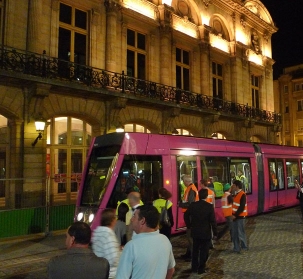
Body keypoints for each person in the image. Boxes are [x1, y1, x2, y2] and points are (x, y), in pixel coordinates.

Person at [116, 204, 175, 279]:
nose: (131, 219)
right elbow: (171, 270)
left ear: (142, 221)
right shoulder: (165, 240)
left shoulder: (132, 246)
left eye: (134, 216)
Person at [184, 189, 218, 275]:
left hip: (195, 231)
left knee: (195, 250)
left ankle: (194, 267)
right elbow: (212, 221)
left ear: (198, 195)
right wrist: (215, 232)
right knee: (204, 251)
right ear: (206, 196)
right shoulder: (209, 206)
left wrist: (189, 225)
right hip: (205, 232)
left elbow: (186, 215)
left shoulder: (193, 205)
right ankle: (201, 268)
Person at [92, 209, 120, 279]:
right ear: (112, 220)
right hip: (111, 274)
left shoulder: (98, 233)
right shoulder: (108, 235)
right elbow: (114, 258)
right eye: (115, 217)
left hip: (100, 271)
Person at [179, 174, 199, 260]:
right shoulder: (190, 188)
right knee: (189, 235)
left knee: (190, 235)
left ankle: (192, 255)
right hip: (189, 214)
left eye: (183, 181)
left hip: (190, 215)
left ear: (187, 181)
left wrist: (180, 204)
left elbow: (191, 204)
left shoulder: (191, 189)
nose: (183, 183)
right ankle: (189, 253)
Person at [231, 180, 248, 253]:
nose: (232, 187)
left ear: (237, 186)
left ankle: (244, 247)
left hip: (240, 217)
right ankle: (236, 248)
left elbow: (242, 207)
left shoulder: (242, 194)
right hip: (235, 217)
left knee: (240, 233)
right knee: (235, 233)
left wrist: (235, 215)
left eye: (233, 185)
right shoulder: (236, 194)